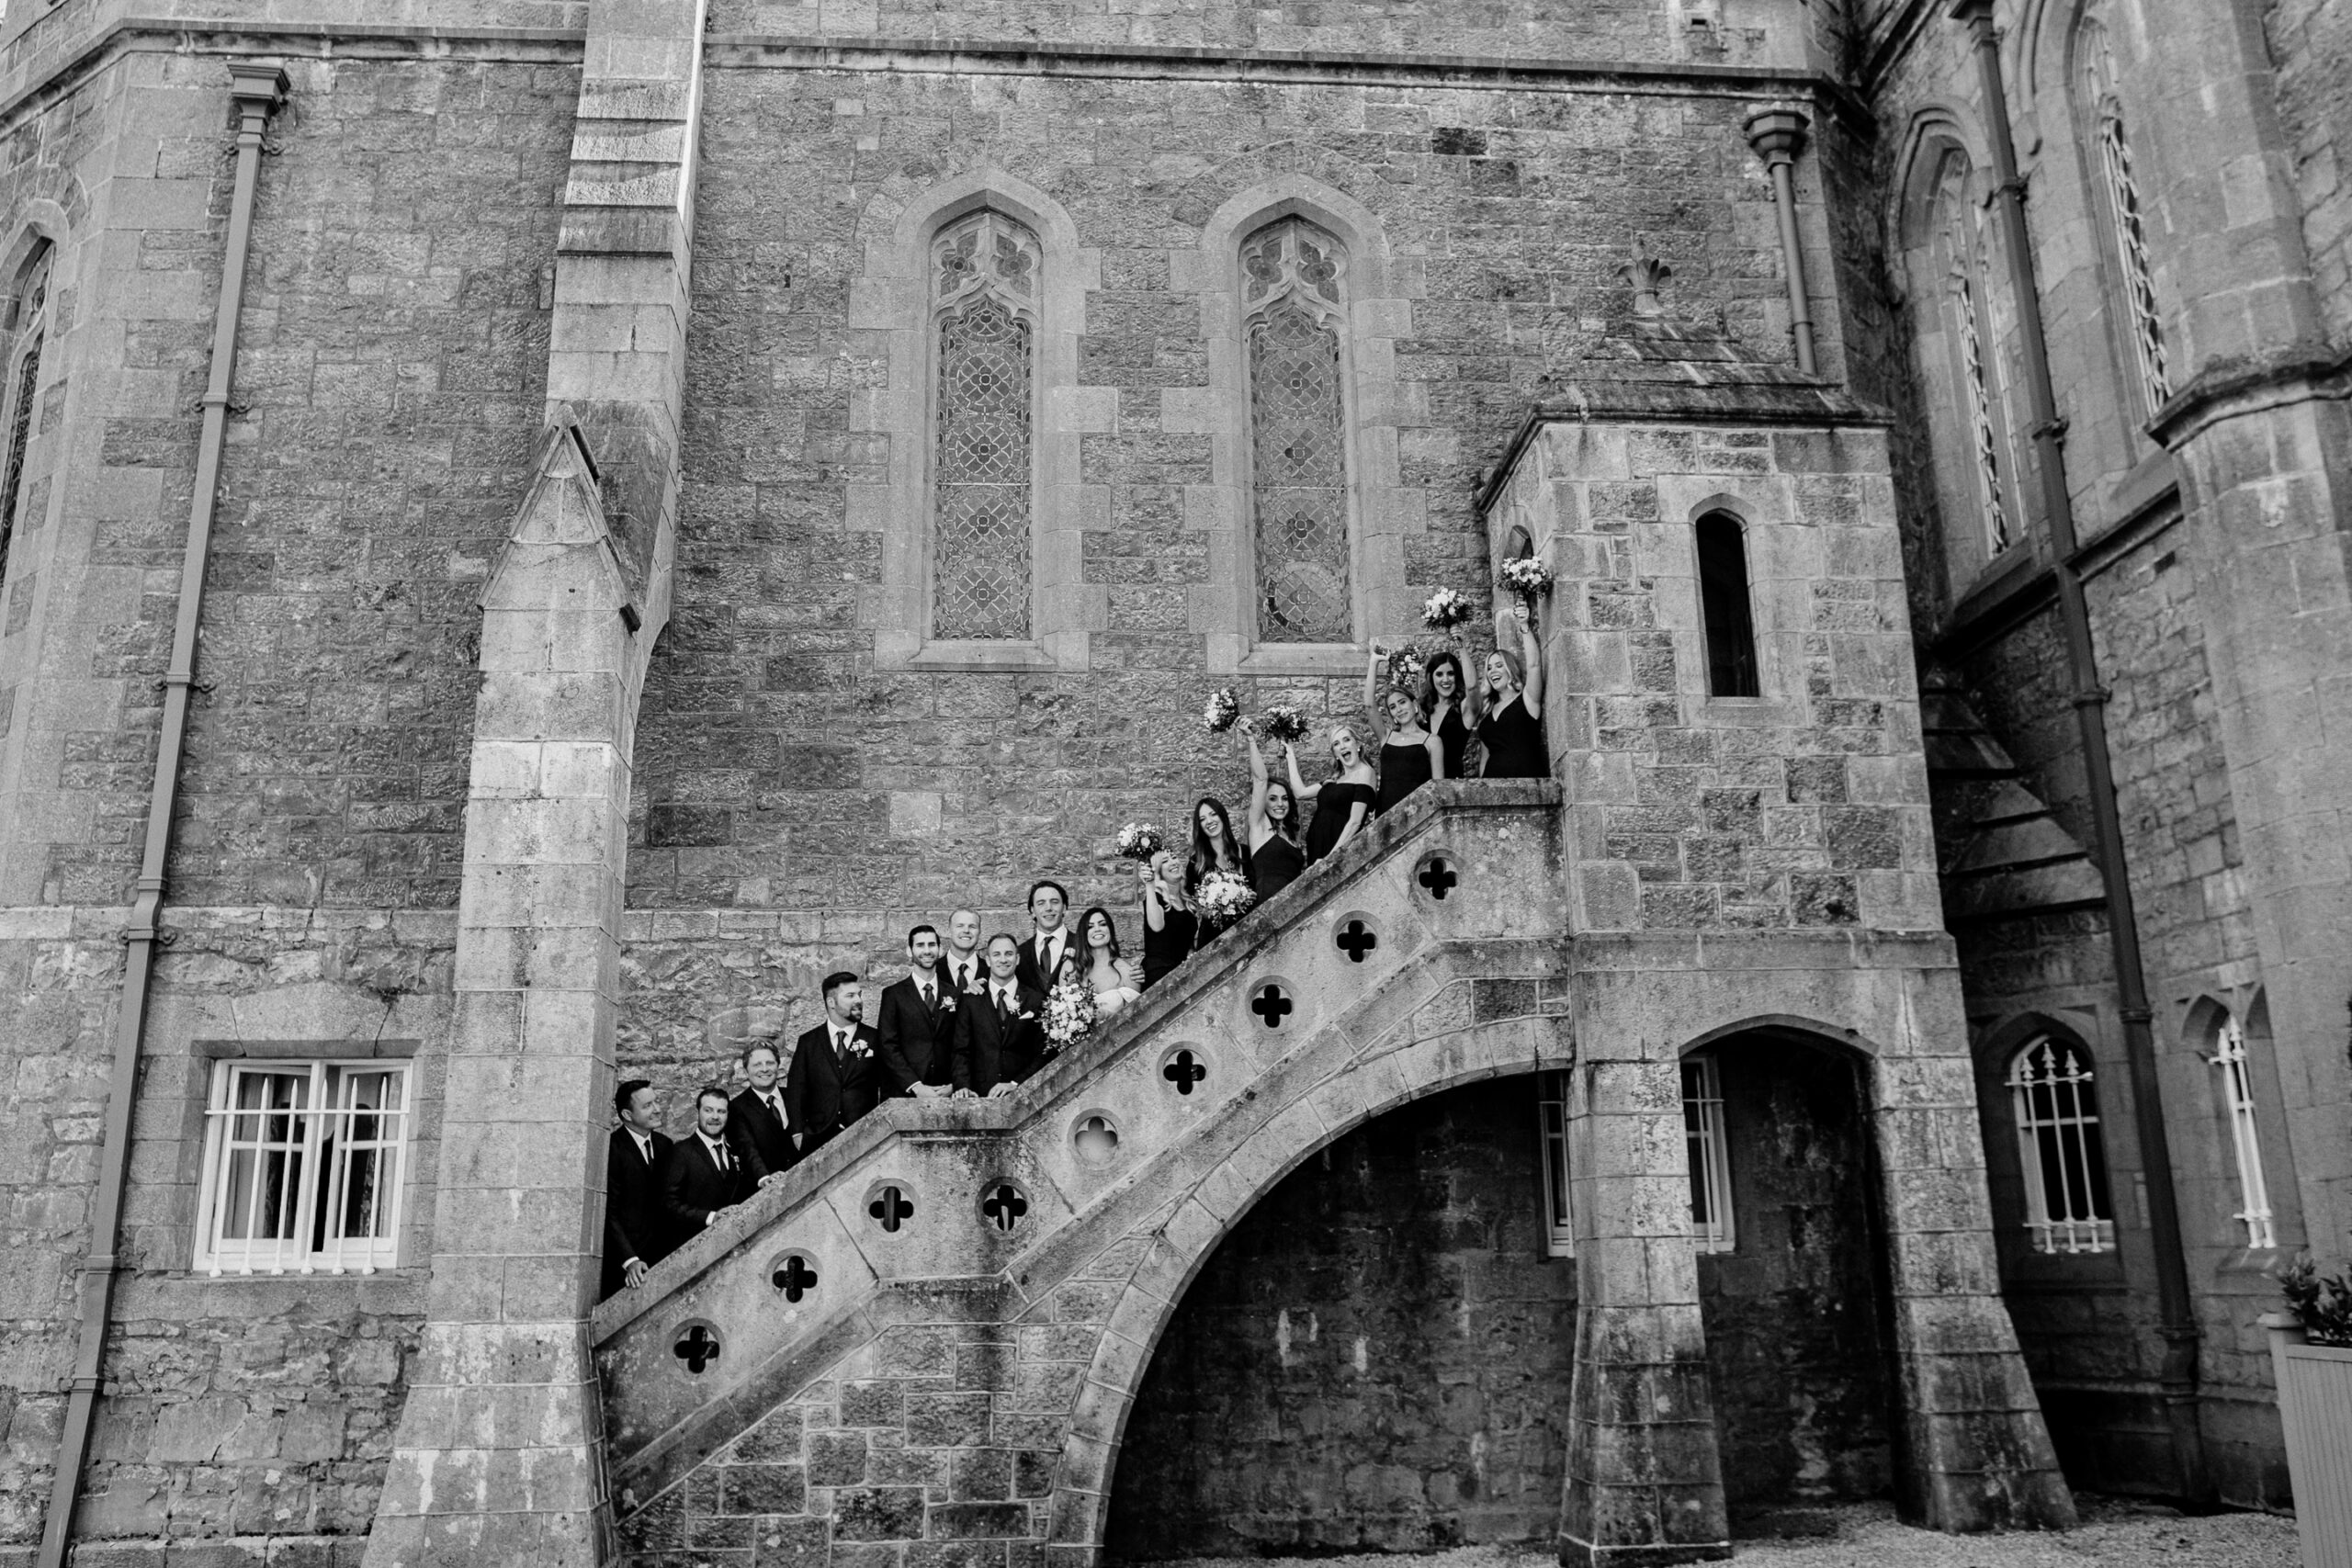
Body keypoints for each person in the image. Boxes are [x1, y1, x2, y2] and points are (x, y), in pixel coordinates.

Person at [786, 972, 881, 1154]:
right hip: (817, 1139)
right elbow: (796, 1089)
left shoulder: (874, 1038)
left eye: (859, 995)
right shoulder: (808, 1042)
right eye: (850, 996)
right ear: (831, 1003)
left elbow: (886, 1085)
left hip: (865, 1137)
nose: (858, 1000)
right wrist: (797, 1133)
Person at [953, 933, 1049, 1097]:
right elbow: (961, 1050)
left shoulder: (1035, 1000)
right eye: (997, 954)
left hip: (1023, 1094)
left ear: (1017, 959)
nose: (1003, 960)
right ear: (988, 961)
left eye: (1009, 954)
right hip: (979, 1095)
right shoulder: (971, 1000)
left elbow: (1043, 1052)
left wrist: (1016, 1084)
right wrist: (962, 1086)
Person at [602, 1078, 673, 1300]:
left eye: (656, 1102)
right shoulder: (612, 1149)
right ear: (626, 1115)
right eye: (647, 1106)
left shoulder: (665, 1145)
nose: (657, 1109)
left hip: (662, 1260)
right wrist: (630, 1260)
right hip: (626, 1269)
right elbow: (608, 1213)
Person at [875, 924, 957, 1099]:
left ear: (940, 949)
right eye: (920, 945)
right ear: (909, 951)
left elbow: (962, 1043)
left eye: (932, 945)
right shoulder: (893, 995)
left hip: (946, 1091)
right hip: (906, 1092)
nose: (927, 951)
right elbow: (887, 1045)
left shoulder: (954, 994)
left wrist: (954, 1084)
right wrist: (916, 1086)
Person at [664, 1085, 752, 1246]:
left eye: (721, 1111)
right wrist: (711, 1217)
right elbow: (670, 1204)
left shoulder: (736, 1150)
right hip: (696, 1245)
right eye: (708, 1110)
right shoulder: (681, 1152)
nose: (715, 1117)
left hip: (735, 1244)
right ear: (697, 1112)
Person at [1364, 649, 1442, 813]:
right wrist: (1374, 663)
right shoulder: (1386, 736)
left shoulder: (1432, 741)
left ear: (1414, 705)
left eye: (1402, 702)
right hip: (1385, 811)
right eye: (1393, 707)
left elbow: (1438, 788)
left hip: (1416, 813)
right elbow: (1369, 705)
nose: (1399, 709)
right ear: (1391, 715)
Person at [1289, 724, 1377, 863]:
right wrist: (1290, 757)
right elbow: (1300, 793)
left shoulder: (1365, 772)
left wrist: (1330, 858)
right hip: (1317, 846)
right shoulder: (1336, 778)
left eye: (1347, 740)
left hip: (1336, 851)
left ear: (1358, 744)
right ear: (1335, 753)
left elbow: (1355, 822)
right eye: (1336, 744)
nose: (1342, 746)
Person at [1479, 604, 1548, 778]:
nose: (1492, 671)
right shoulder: (1486, 712)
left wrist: (1524, 627)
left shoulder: (1527, 700)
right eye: (1489, 668)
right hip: (1492, 787)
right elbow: (1484, 759)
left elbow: (1534, 665)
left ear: (1510, 669)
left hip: (1526, 780)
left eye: (1499, 665)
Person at [1244, 730, 1307, 901]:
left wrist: (1291, 756)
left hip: (1293, 902)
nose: (1280, 804)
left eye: (1285, 799)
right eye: (1272, 799)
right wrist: (1251, 739)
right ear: (1263, 803)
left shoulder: (1291, 834)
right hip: (1268, 901)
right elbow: (1260, 779)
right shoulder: (1259, 826)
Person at [726, 1041, 796, 1186]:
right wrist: (764, 1177)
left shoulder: (795, 1097)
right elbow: (746, 1148)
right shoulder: (737, 1108)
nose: (765, 1069)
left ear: (778, 1066)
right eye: (757, 1065)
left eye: (770, 1063)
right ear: (746, 1071)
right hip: (767, 1190)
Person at [1138, 851, 1197, 988]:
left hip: (1182, 971)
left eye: (1174, 857)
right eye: (1165, 861)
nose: (1173, 862)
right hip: (1160, 973)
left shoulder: (1187, 900)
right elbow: (1157, 926)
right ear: (1158, 871)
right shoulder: (1156, 898)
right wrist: (1150, 885)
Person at [1076, 905, 1144, 1019]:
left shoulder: (1128, 972)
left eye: (1103, 924)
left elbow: (1135, 1020)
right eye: (1090, 927)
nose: (1097, 929)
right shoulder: (1073, 969)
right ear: (1084, 933)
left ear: (1110, 930)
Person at [1421, 649, 1478, 781]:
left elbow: (1473, 687)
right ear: (1431, 677)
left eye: (1451, 674)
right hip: (1419, 787)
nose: (1445, 679)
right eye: (1439, 674)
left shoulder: (1463, 709)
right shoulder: (1422, 710)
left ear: (1458, 676)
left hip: (1451, 786)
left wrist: (1461, 646)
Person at [1015, 880, 1076, 996]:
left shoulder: (1082, 945)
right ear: (1032, 911)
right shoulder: (1020, 953)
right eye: (1041, 903)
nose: (1048, 908)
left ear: (1064, 908)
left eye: (1054, 902)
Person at [1183, 796, 1250, 897]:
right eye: (1202, 819)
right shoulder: (1196, 863)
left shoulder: (1244, 852)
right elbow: (1191, 901)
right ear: (1200, 826)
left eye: (1213, 814)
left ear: (1222, 816)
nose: (1209, 821)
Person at [942, 907, 986, 996]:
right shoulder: (933, 970)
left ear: (980, 932)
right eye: (960, 926)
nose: (966, 930)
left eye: (972, 926)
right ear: (948, 930)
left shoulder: (991, 971)